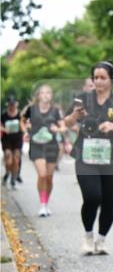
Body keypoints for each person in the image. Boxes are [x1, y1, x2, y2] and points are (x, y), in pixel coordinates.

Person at [62, 62, 113, 255]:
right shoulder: (82, 99)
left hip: (111, 158)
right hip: (85, 156)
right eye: (96, 77)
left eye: (103, 77)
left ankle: (101, 240)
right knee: (92, 196)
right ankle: (87, 237)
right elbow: (66, 123)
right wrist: (74, 115)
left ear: (111, 80)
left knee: (109, 201)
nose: (98, 81)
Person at [21, 85, 64, 216]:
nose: (45, 95)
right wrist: (25, 132)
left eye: (48, 93)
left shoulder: (55, 110)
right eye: (43, 93)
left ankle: (46, 203)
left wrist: (58, 129)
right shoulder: (31, 109)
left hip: (51, 146)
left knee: (49, 178)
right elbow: (22, 121)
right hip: (36, 145)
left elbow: (63, 127)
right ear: (38, 96)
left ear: (51, 96)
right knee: (42, 175)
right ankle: (42, 204)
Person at [1, 97, 23, 189]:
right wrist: (4, 129)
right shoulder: (3, 114)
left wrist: (23, 127)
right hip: (7, 139)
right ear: (8, 105)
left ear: (16, 105)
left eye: (13, 104)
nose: (12, 106)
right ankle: (7, 172)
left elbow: (25, 124)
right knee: (8, 158)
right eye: (10, 105)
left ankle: (13, 178)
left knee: (16, 158)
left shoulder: (20, 114)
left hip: (17, 139)